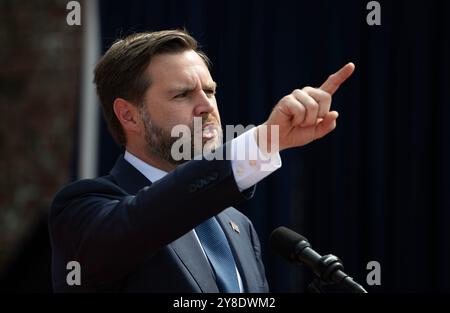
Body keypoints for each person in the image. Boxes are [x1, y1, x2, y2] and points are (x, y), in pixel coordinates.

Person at [49, 29, 354, 292]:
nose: (207, 106)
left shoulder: (238, 225)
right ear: (129, 115)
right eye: (182, 95)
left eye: (210, 91)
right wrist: (264, 141)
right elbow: (149, 216)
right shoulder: (82, 209)